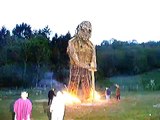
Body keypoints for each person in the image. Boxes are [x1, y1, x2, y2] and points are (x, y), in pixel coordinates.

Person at [67, 21, 97, 100]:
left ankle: (89, 97)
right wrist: (88, 66)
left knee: (87, 83)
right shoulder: (72, 42)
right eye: (83, 30)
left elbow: (93, 58)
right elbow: (76, 61)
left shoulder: (91, 46)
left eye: (89, 31)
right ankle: (71, 97)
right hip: (76, 67)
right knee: (74, 81)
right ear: (79, 30)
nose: (86, 33)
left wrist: (93, 64)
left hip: (87, 69)